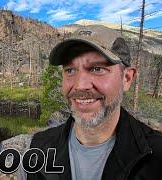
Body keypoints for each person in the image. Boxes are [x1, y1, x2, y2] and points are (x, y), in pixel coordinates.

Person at [18, 25, 162, 180]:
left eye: (97, 69)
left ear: (126, 78)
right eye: (70, 70)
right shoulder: (36, 149)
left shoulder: (157, 157)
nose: (80, 85)